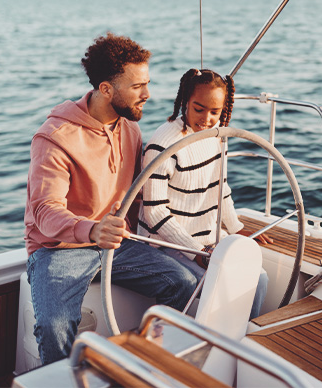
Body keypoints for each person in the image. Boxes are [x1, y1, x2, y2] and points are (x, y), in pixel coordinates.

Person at [23, 33, 197, 365]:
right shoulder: (55, 138)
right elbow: (44, 211)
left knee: (184, 283)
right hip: (60, 248)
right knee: (53, 326)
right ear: (106, 89)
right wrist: (92, 230)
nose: (147, 94)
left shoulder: (129, 127)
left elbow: (144, 194)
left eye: (147, 83)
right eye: (137, 87)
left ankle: (148, 366)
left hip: (117, 244)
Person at [139, 68, 271, 319]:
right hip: (168, 243)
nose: (207, 119)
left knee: (258, 278)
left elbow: (220, 187)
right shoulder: (163, 143)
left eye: (215, 112)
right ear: (184, 102)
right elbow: (154, 211)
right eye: (199, 109)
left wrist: (236, 228)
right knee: (223, 283)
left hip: (207, 239)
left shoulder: (215, 135)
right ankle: (212, 343)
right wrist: (196, 251)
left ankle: (239, 344)